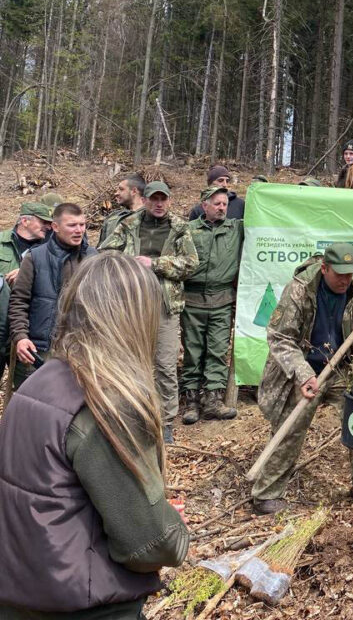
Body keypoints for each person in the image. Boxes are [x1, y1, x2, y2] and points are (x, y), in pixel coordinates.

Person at [0, 253, 189, 618]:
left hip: (20, 591)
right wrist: (172, 528)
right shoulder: (106, 404)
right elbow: (146, 544)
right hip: (82, 603)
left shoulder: (39, 381)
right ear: (137, 317)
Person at [250, 243, 353, 514]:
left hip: (339, 368)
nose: (345, 280)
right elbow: (280, 337)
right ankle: (266, 494)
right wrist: (304, 374)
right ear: (324, 268)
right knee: (292, 425)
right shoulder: (299, 290)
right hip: (304, 368)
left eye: (349, 274)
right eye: (339, 273)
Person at [100, 181, 199, 444]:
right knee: (131, 363)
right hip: (132, 306)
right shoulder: (128, 224)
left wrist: (154, 264)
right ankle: (132, 416)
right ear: (143, 200)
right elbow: (106, 253)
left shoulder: (179, 228)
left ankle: (165, 422)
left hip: (165, 307)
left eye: (163, 199)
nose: (159, 204)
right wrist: (127, 264)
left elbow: (191, 263)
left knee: (165, 366)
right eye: (154, 199)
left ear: (169, 201)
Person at [9, 203, 96, 389]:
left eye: (82, 224)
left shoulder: (93, 258)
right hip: (41, 350)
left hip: (82, 349)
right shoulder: (35, 257)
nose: (79, 230)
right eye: (72, 225)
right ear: (55, 227)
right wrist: (21, 336)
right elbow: (19, 302)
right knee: (35, 404)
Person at [181, 187, 244, 424]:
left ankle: (213, 400)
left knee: (217, 350)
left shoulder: (236, 229)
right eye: (216, 204)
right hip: (193, 300)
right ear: (204, 205)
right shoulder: (188, 231)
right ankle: (191, 401)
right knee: (193, 351)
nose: (221, 208)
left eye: (224, 204)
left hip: (222, 300)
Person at [0, 203, 52, 384]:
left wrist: (26, 271)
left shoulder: (50, 250)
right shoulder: (0, 242)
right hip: (0, 328)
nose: (48, 226)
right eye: (43, 222)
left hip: (27, 333)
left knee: (29, 389)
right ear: (25, 221)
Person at [99, 173, 146, 244]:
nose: (116, 193)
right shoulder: (113, 217)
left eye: (121, 189)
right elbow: (100, 249)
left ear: (134, 191)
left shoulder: (150, 218)